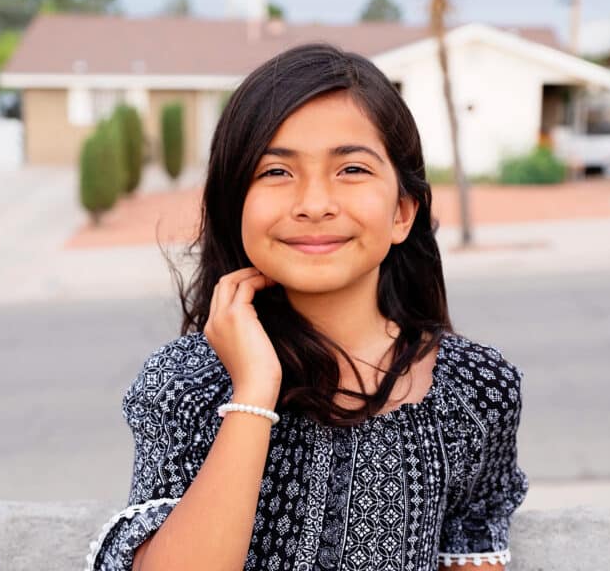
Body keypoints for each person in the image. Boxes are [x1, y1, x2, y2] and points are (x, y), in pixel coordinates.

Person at [86, 42, 528, 571]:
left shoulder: (474, 389)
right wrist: (253, 391)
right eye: (276, 172)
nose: (314, 204)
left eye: (352, 170)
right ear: (234, 206)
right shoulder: (186, 384)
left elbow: (471, 553)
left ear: (402, 213)